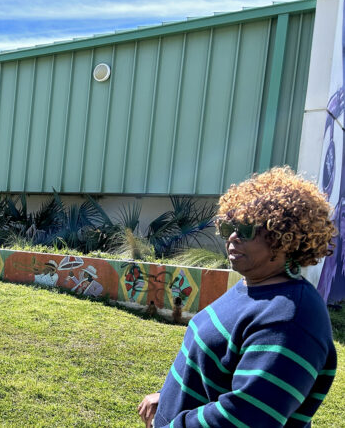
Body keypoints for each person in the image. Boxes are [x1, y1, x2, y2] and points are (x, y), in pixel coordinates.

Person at [138, 167, 338, 427]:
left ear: (284, 236)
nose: (232, 236)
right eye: (229, 227)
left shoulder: (291, 318)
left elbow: (246, 417)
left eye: (245, 229)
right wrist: (167, 398)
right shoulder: (253, 285)